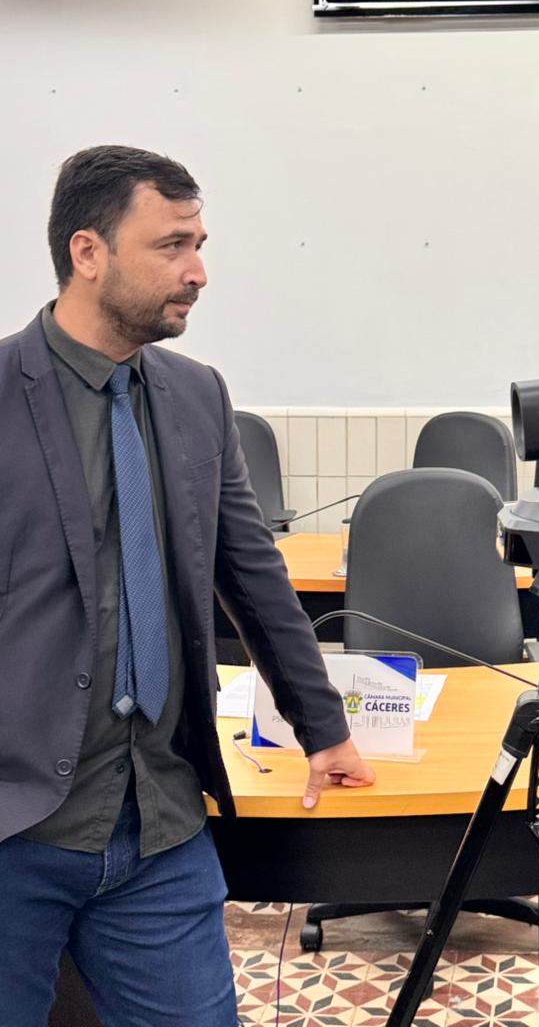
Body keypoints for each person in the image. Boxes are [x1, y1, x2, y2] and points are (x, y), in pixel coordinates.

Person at [0, 146, 376, 1027]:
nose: (198, 272)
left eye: (199, 245)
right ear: (88, 253)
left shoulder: (196, 395)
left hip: (159, 825)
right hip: (15, 829)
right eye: (172, 245)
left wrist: (323, 727)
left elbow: (254, 577)